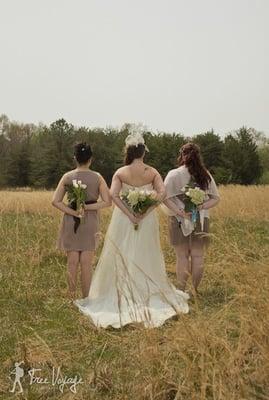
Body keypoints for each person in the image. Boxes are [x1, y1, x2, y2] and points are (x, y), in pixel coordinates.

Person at [74, 132, 189, 328]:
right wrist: (146, 211)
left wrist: (129, 214)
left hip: (124, 220)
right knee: (146, 252)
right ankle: (146, 290)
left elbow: (114, 196)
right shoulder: (151, 172)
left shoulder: (121, 172)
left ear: (129, 151)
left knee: (121, 251)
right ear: (143, 152)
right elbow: (162, 194)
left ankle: (120, 291)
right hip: (146, 220)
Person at [52, 142, 111, 299]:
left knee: (72, 261)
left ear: (75, 158)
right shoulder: (98, 177)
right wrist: (88, 208)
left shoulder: (67, 176)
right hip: (90, 221)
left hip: (72, 221)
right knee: (86, 263)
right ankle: (86, 298)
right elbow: (107, 201)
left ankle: (71, 297)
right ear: (90, 159)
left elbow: (55, 201)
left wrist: (74, 211)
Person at [163, 142, 220, 294]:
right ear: (198, 156)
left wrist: (180, 211)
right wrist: (200, 207)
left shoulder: (173, 174)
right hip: (200, 219)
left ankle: (181, 291)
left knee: (182, 256)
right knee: (198, 255)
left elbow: (164, 197)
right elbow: (216, 198)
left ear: (182, 155)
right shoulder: (205, 174)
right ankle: (195, 290)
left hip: (178, 218)